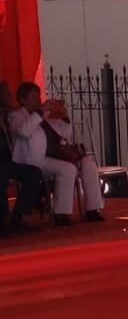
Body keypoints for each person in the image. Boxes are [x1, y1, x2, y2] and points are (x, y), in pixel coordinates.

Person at [7, 83, 104, 225]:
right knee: (67, 169)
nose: (38, 99)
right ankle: (61, 213)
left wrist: (64, 117)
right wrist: (39, 113)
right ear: (23, 99)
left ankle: (93, 209)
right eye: (33, 96)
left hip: (56, 154)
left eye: (38, 95)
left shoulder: (44, 115)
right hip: (34, 161)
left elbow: (65, 133)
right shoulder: (16, 116)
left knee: (88, 162)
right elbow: (24, 131)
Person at [0, 82, 42, 235]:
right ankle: (2, 221)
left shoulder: (10, 114)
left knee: (33, 172)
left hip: (8, 161)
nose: (10, 97)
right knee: (1, 175)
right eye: (6, 94)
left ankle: (17, 216)